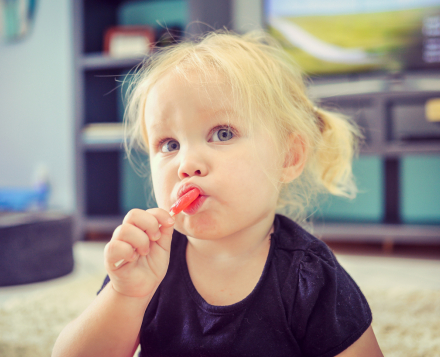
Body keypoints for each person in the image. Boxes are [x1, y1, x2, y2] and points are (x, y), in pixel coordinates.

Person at [52, 30, 383, 357]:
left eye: (222, 133)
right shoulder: (151, 263)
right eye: (169, 144)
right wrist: (126, 295)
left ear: (288, 158)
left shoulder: (309, 275)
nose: (187, 164)